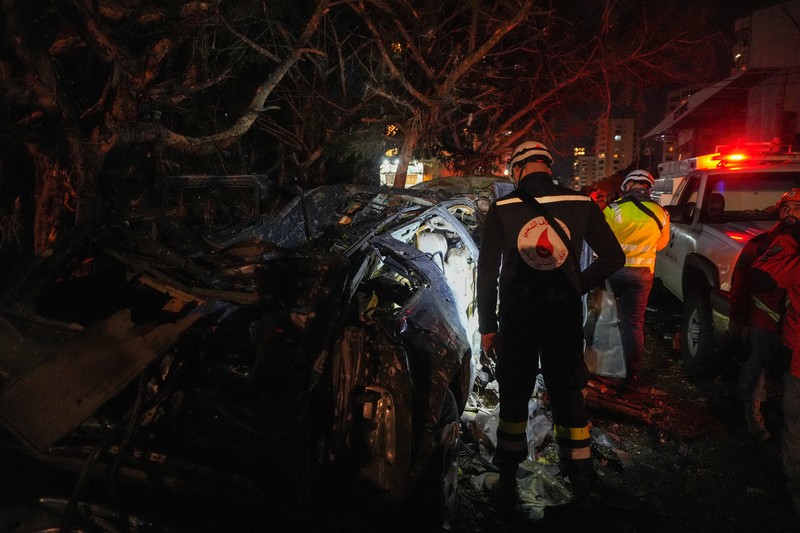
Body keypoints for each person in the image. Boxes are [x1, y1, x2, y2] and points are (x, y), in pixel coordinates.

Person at [477, 140, 625, 509]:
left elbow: (487, 272)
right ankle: (582, 482)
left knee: (514, 397)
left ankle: (507, 480)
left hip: (517, 317)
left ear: (518, 169)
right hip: (562, 315)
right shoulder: (580, 203)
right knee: (567, 394)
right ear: (547, 165)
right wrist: (577, 284)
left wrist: (487, 325)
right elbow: (614, 257)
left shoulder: (504, 207)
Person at [751, 188, 800, 517]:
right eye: (787, 207)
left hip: (795, 353)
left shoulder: (788, 244)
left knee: (795, 428)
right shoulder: (774, 240)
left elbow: (762, 276)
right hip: (787, 345)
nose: (790, 213)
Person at [602, 169, 670, 385]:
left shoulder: (613, 210)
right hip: (642, 275)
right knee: (634, 324)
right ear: (648, 188)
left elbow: (600, 241)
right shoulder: (662, 213)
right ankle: (631, 374)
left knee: (605, 320)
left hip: (611, 273)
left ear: (628, 186)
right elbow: (661, 245)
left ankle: (603, 369)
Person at [730, 204, 791, 441]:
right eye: (787, 208)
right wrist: (738, 319)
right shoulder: (759, 245)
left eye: (798, 208)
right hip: (765, 317)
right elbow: (741, 283)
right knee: (757, 367)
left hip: (791, 322)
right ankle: (751, 412)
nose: (791, 214)